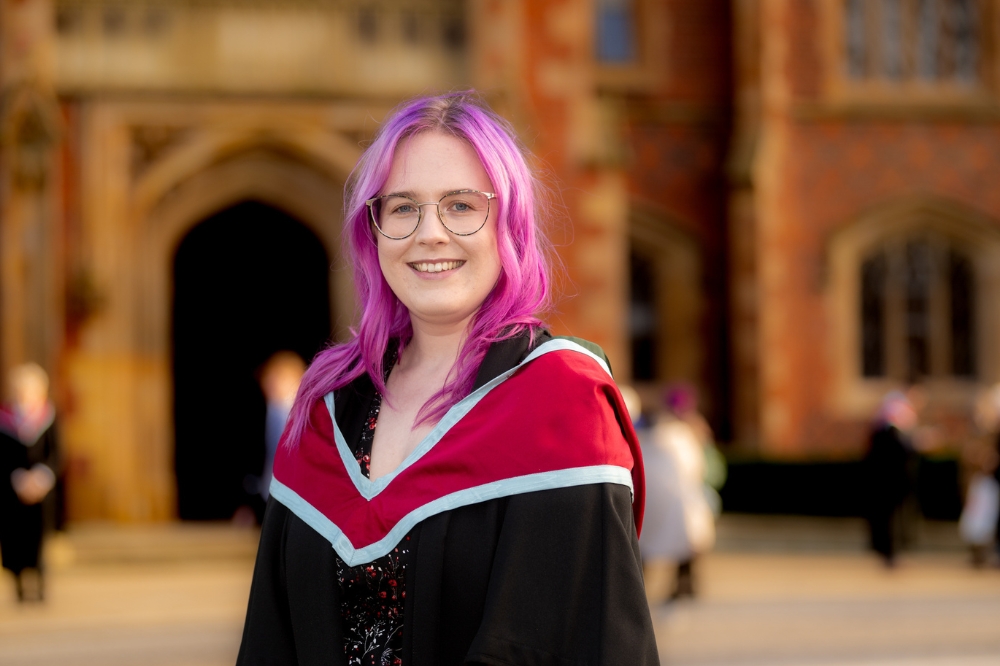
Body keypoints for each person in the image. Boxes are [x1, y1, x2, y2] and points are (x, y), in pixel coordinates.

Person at [237, 92, 658, 665]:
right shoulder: (324, 409)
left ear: (509, 223)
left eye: (461, 206)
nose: (429, 233)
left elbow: (582, 641)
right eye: (402, 207)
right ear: (374, 230)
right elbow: (272, 637)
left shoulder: (562, 404)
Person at [638, 384, 715, 601]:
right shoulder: (682, 436)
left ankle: (677, 584)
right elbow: (699, 468)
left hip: (654, 503)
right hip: (680, 500)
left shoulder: (651, 434)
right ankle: (684, 584)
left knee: (651, 545)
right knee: (687, 541)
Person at [0, 363, 59, 602]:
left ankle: (41, 583)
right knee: (15, 538)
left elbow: (57, 453)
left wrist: (41, 477)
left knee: (40, 538)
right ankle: (19, 585)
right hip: (13, 490)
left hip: (41, 490)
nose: (26, 393)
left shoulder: (49, 417)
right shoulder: (4, 419)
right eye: (21, 389)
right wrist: (17, 478)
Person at [864, 391, 918, 567]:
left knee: (890, 520)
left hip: (887, 485)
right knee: (889, 520)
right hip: (889, 485)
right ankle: (888, 551)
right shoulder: (889, 434)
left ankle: (889, 551)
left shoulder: (881, 432)